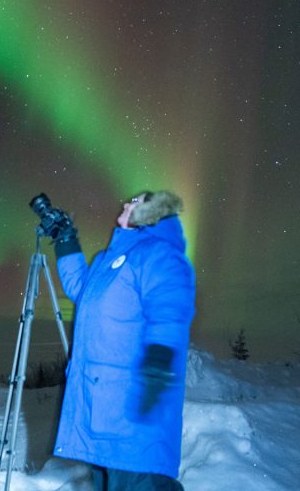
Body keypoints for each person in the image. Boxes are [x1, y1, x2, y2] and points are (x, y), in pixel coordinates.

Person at [48, 190, 196, 491]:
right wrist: (66, 239)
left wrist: (159, 359)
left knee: (139, 481)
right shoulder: (109, 259)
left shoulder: (159, 253)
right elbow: (81, 288)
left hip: (133, 406)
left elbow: (169, 309)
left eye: (136, 201)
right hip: (103, 405)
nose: (126, 203)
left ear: (152, 212)